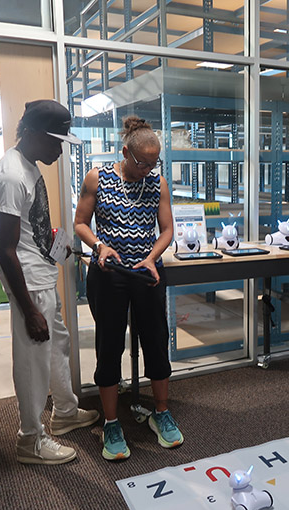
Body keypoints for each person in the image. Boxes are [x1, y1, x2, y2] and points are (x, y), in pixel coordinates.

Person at [0, 99, 99, 465]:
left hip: (40, 274)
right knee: (33, 360)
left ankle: (65, 411)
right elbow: (5, 249)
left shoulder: (28, 168)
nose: (59, 148)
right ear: (32, 133)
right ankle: (30, 439)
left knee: (56, 346)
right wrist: (28, 308)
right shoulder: (10, 175)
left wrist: (71, 251)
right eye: (55, 140)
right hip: (29, 284)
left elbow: (31, 229)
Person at [74, 115, 182, 461]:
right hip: (109, 273)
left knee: (155, 340)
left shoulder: (158, 183)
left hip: (148, 272)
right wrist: (99, 246)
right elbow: (80, 223)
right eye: (142, 163)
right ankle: (110, 422)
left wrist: (152, 257)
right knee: (109, 345)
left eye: (154, 163)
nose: (148, 170)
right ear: (125, 152)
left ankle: (161, 413)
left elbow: (166, 230)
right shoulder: (98, 177)